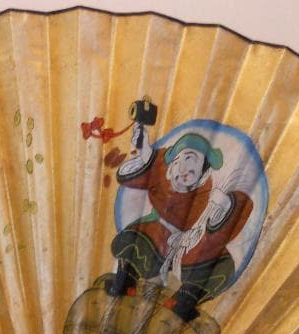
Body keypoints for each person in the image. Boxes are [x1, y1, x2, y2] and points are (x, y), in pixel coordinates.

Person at [107, 125, 254, 321]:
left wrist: (226, 205)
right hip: (155, 233)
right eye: (177, 162)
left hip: (190, 243)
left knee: (220, 264)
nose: (182, 169)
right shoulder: (163, 176)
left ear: (203, 174)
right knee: (134, 239)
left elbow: (234, 214)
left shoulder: (209, 195)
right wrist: (144, 151)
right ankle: (127, 283)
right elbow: (153, 166)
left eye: (191, 163)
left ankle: (184, 300)